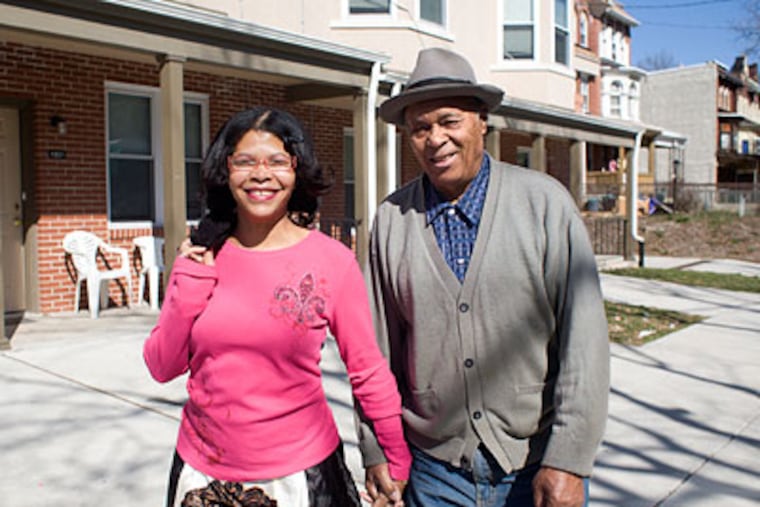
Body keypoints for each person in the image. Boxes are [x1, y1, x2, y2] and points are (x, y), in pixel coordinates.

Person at [359, 48, 610, 507]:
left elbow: (585, 341)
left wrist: (570, 460)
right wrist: (377, 449)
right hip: (434, 474)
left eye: (449, 121)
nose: (435, 139)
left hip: (534, 470)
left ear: (481, 122)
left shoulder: (544, 205)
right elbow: (375, 353)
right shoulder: (392, 221)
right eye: (420, 128)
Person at [143, 106, 411, 507]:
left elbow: (368, 369)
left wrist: (393, 456)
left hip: (300, 476)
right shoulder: (200, 255)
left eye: (277, 161)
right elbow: (162, 366)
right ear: (225, 169)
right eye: (245, 161)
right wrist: (190, 282)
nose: (261, 175)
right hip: (201, 473)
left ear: (297, 169)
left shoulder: (331, 260)